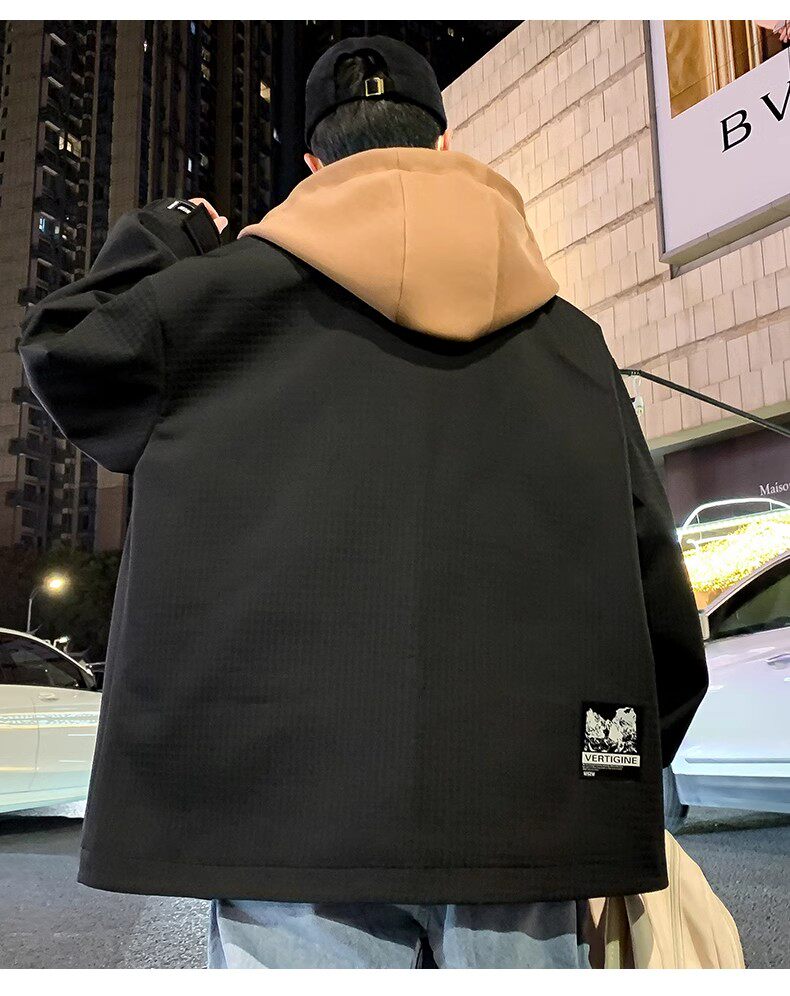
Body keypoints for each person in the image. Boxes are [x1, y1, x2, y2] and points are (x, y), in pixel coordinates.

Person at [17, 35, 709, 969]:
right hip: (525, 822)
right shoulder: (573, 344)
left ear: (313, 164)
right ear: (446, 145)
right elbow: (656, 592)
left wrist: (172, 232)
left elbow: (62, 347)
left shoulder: (212, 304)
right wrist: (602, 775)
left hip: (281, 817)